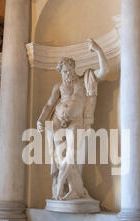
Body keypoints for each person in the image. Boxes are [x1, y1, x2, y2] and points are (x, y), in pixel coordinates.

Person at [37, 38, 109, 200]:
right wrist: (40, 120)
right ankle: (73, 190)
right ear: (60, 72)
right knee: (59, 157)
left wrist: (98, 50)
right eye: (64, 71)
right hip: (57, 121)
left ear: (74, 68)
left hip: (76, 122)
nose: (67, 74)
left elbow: (104, 71)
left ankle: (63, 189)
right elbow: (49, 105)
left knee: (70, 156)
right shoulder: (59, 87)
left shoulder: (85, 80)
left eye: (69, 70)